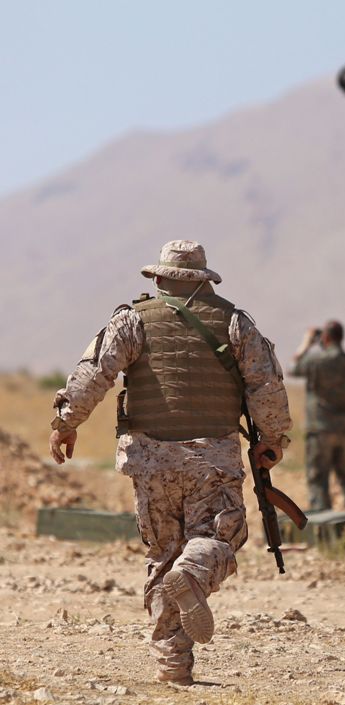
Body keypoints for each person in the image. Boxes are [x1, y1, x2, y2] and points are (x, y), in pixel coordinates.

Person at [47, 240, 292, 686]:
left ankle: (173, 665)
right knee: (222, 535)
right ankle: (195, 574)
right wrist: (272, 439)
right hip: (211, 458)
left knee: (162, 555)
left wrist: (66, 422)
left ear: (159, 279)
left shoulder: (131, 321)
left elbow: (93, 373)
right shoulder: (235, 323)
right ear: (203, 279)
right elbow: (266, 386)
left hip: (150, 460)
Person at [291, 320, 345, 512]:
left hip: (320, 428)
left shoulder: (316, 360)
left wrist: (307, 342)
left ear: (325, 338)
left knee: (318, 479)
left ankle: (324, 528)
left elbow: (294, 367)